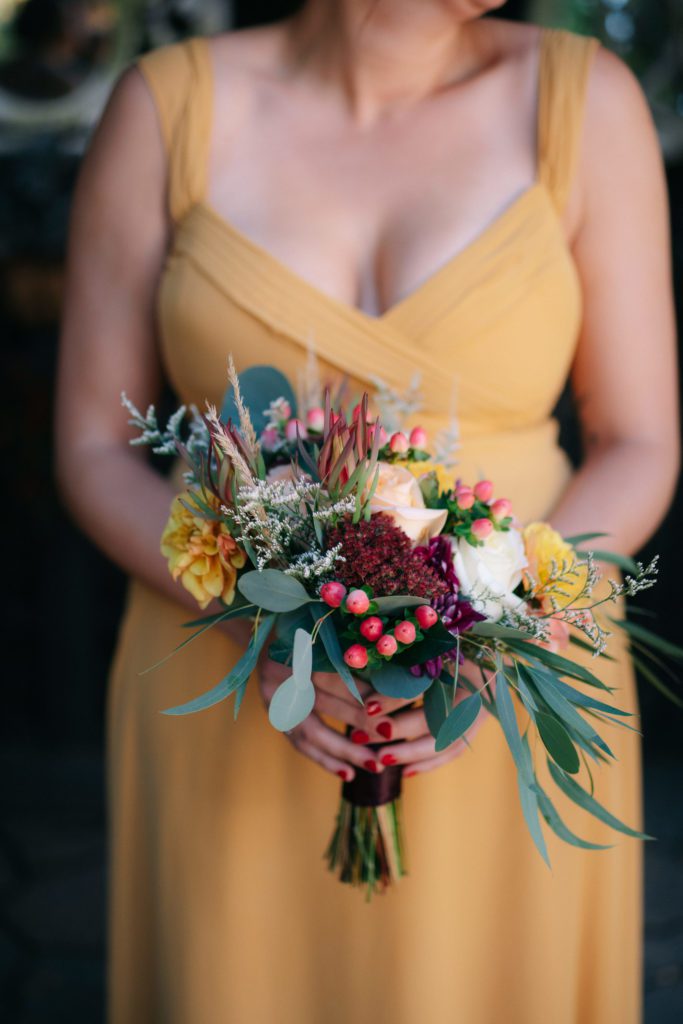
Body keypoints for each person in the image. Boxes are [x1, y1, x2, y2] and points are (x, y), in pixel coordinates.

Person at [55, 1, 678, 1021]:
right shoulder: (163, 109)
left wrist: (495, 624)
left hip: (509, 690)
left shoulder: (582, 102)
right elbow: (89, 446)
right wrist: (274, 620)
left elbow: (638, 440)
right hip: (223, 675)